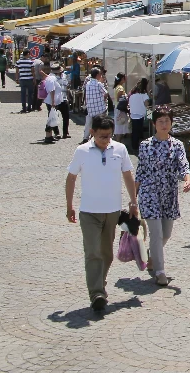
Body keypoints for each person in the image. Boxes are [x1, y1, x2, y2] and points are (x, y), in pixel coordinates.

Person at [64, 115, 138, 313]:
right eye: (102, 136)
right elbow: (71, 178)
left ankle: (100, 282)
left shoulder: (120, 150)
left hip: (112, 211)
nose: (106, 140)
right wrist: (69, 205)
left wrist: (133, 201)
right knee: (93, 252)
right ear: (92, 133)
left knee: (106, 253)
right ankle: (96, 292)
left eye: (109, 136)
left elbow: (128, 175)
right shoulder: (82, 151)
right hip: (89, 212)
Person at [135, 106, 190, 286]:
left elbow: (183, 165)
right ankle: (160, 271)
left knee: (165, 233)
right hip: (149, 192)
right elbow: (140, 171)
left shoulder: (177, 145)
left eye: (167, 121)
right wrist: (132, 197)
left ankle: (152, 254)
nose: (164, 124)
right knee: (156, 233)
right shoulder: (145, 145)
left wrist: (187, 179)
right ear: (154, 124)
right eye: (161, 121)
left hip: (168, 193)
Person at [81, 68, 109, 142]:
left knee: (89, 123)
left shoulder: (88, 83)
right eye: (100, 74)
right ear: (97, 75)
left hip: (90, 108)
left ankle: (86, 137)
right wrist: (103, 99)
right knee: (101, 124)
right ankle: (98, 137)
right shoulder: (98, 84)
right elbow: (106, 93)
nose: (101, 75)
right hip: (99, 108)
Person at [43, 63, 65, 143]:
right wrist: (53, 101)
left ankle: (50, 134)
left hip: (52, 101)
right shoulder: (52, 78)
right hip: (52, 101)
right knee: (51, 118)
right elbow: (52, 90)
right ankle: (48, 135)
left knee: (52, 117)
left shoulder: (51, 77)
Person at [126, 78, 150, 150]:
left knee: (134, 131)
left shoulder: (131, 94)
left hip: (133, 114)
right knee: (138, 131)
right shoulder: (144, 95)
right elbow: (146, 104)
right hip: (140, 114)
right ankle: (137, 146)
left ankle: (134, 145)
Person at [112, 74, 131, 148]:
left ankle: (118, 143)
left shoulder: (116, 87)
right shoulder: (120, 88)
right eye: (125, 77)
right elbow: (120, 99)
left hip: (117, 108)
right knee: (120, 127)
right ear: (122, 78)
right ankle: (118, 144)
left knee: (119, 126)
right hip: (121, 110)